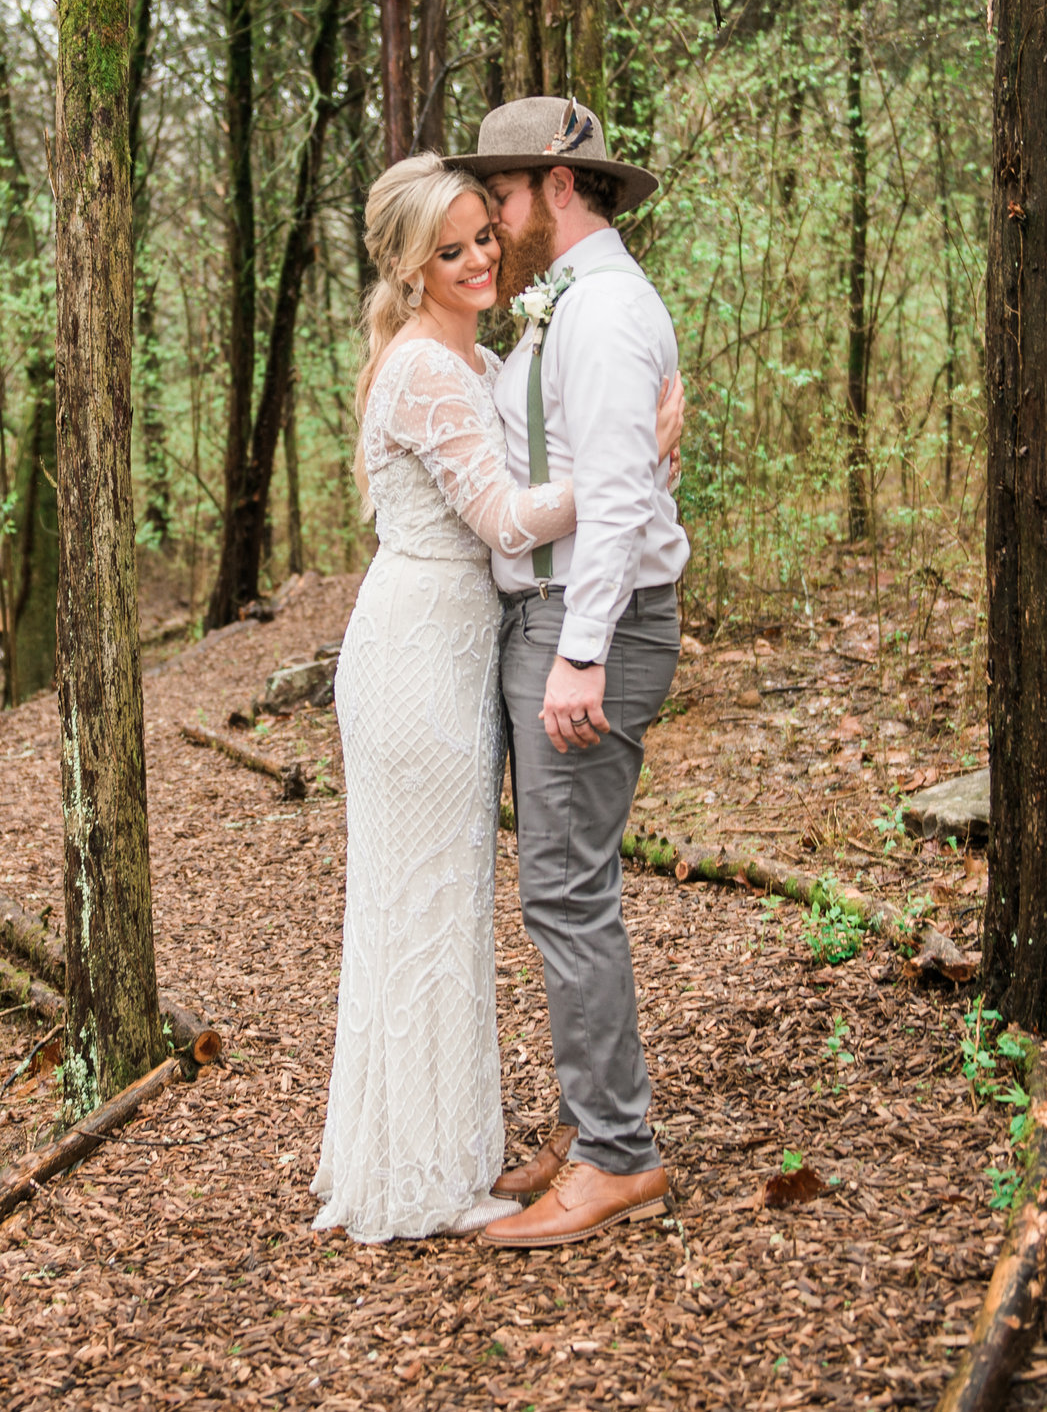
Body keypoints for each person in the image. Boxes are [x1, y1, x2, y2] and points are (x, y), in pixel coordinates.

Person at [311, 153, 682, 1245]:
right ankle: (422, 1166)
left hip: (467, 643)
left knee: (457, 902)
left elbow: (530, 454)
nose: (479, 256)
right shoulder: (430, 365)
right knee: (424, 904)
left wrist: (623, 472)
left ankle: (493, 1145)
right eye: (452, 245)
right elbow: (507, 519)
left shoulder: (493, 341)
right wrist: (635, 468)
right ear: (408, 263)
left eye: (484, 232)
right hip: (423, 650)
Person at [447, 97, 687, 1250]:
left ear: (552, 181)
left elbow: (623, 499)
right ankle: (592, 1123)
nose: (490, 216)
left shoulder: (601, 312)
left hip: (587, 623)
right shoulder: (571, 306)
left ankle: (616, 1154)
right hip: (552, 617)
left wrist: (581, 649)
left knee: (568, 891)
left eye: (498, 191)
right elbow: (573, 453)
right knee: (559, 887)